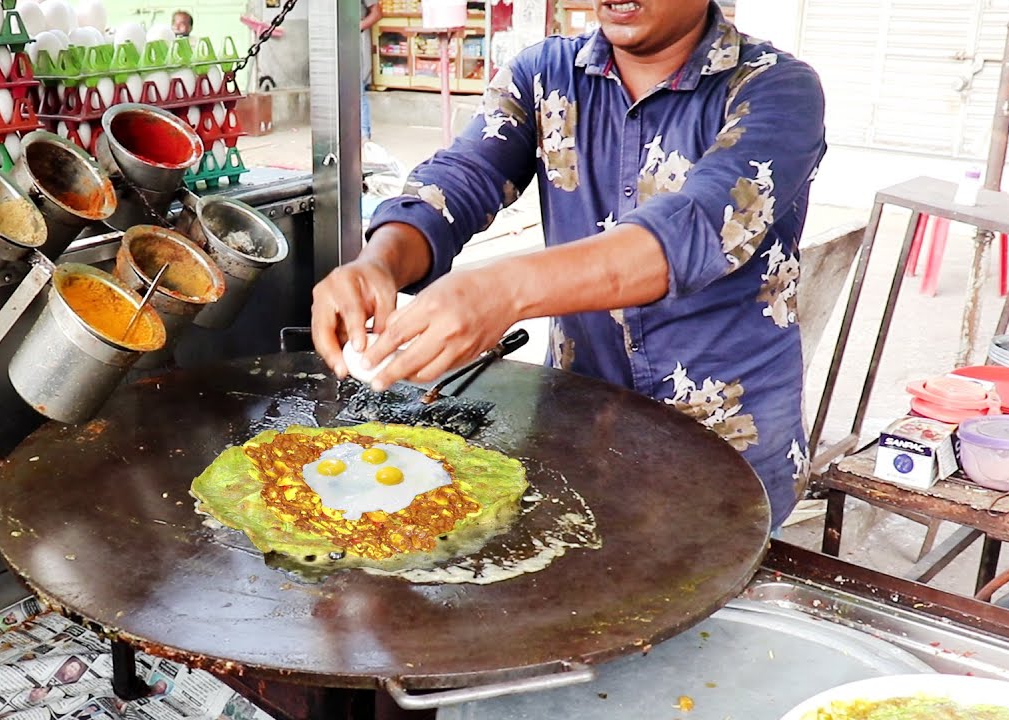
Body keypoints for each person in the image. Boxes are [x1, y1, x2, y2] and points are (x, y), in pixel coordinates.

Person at [311, 0, 826, 531]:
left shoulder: (776, 90)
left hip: (728, 454)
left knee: (712, 610)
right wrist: (381, 261)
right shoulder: (544, 75)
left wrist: (504, 291)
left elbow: (695, 228)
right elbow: (460, 179)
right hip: (583, 436)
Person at [359, 0, 382, 143]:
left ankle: (363, 136)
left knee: (356, 89)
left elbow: (377, 12)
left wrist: (357, 27)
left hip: (350, 42)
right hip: (328, 41)